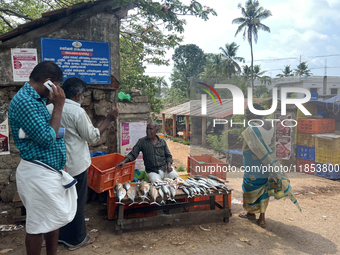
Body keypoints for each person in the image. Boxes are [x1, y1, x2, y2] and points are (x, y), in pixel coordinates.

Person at [8, 61, 77, 255]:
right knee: (38, 225)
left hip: (48, 172)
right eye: (58, 84)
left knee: (52, 219)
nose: (59, 90)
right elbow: (47, 138)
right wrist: (59, 106)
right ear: (48, 82)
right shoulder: (25, 102)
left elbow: (48, 131)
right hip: (37, 173)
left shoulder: (37, 100)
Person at [46, 77, 119, 251]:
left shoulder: (47, 108)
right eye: (84, 95)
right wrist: (108, 119)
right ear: (78, 95)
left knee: (56, 201)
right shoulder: (77, 112)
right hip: (75, 165)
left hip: (53, 164)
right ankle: (77, 239)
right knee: (76, 202)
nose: (84, 98)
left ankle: (54, 237)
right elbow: (93, 137)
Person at [238, 103, 301, 228]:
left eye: (248, 112)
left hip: (253, 161)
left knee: (249, 186)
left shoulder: (252, 128)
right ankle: (262, 218)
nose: (246, 115)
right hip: (266, 161)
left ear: (256, 113)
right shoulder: (269, 125)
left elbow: (249, 146)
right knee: (263, 188)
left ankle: (250, 213)